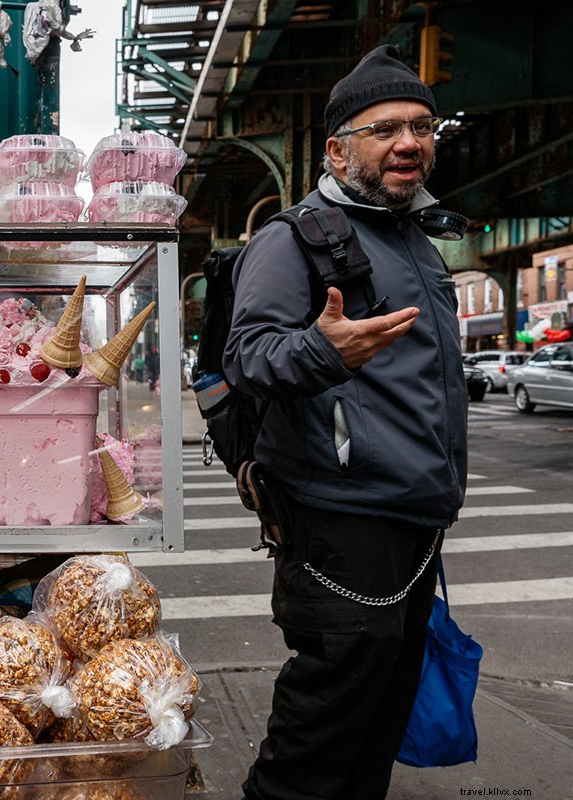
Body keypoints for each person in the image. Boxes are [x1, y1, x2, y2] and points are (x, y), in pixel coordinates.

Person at [222, 45, 467, 800]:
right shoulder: (293, 238)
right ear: (337, 147)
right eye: (386, 128)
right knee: (316, 744)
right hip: (339, 522)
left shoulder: (417, 241)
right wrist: (323, 352)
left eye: (423, 127)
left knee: (372, 738)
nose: (409, 143)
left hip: (414, 524)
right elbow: (249, 356)